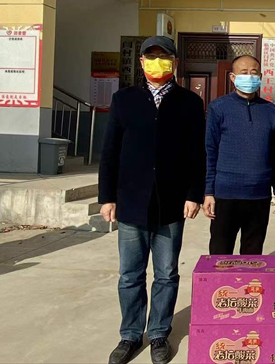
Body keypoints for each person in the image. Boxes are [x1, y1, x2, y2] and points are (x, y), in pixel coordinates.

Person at [99, 36, 205, 364]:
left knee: (166, 274)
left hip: (171, 203)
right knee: (130, 274)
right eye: (151, 56)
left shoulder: (189, 102)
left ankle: (159, 332)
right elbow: (110, 151)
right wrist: (107, 197)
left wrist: (194, 194)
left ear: (175, 62)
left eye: (164, 56)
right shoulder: (124, 100)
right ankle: (130, 335)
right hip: (131, 201)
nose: (157, 61)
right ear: (142, 62)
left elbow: (196, 154)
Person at [203, 55, 275, 255]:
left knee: (253, 255)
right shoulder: (218, 107)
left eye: (254, 73)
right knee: (220, 254)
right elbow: (210, 151)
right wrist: (208, 192)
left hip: (259, 194)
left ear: (261, 76)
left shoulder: (269, 110)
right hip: (225, 194)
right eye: (244, 72)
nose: (249, 77)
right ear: (232, 77)